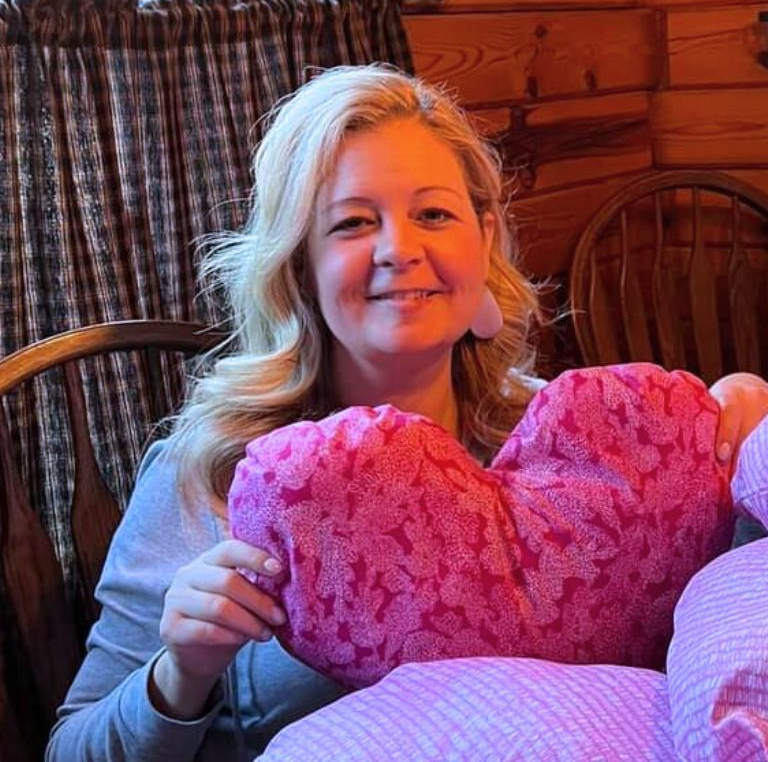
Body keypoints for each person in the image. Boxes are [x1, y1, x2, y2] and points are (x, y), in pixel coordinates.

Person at [46, 64, 768, 762]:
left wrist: (745, 455)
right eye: (354, 223)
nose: (400, 249)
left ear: (482, 239)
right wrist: (180, 675)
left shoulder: (571, 453)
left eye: (433, 213)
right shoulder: (206, 473)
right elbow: (71, 750)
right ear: (300, 265)